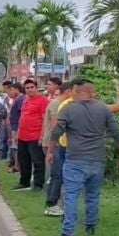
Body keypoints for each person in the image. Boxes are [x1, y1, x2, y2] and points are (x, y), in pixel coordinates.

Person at [48, 82, 119, 236]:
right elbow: (115, 130)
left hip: (75, 158)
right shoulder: (102, 109)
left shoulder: (68, 109)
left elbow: (57, 131)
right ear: (92, 93)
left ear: (78, 92)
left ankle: (68, 232)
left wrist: (51, 151)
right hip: (96, 159)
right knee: (93, 195)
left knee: (71, 195)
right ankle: (90, 226)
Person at [43, 81, 74, 216]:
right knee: (57, 175)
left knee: (57, 175)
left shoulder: (57, 103)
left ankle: (53, 203)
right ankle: (52, 204)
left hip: (54, 142)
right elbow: (57, 125)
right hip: (55, 143)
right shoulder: (58, 104)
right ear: (68, 91)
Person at [15, 79, 49, 191]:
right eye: (27, 88)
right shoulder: (26, 100)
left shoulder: (43, 101)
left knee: (37, 161)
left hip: (35, 135)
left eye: (31, 87)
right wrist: (18, 133)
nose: (29, 90)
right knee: (23, 160)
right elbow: (22, 117)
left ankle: (38, 184)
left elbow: (45, 119)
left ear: (36, 87)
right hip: (23, 135)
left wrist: (42, 135)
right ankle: (24, 182)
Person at [40, 77, 64, 156]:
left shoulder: (57, 102)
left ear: (56, 86)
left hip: (52, 140)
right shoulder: (48, 97)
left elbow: (54, 122)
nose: (47, 86)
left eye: (49, 84)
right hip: (47, 136)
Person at [6, 82, 25, 173]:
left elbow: (21, 114)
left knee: (17, 147)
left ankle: (17, 166)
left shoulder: (21, 99)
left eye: (12, 89)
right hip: (14, 126)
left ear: (17, 89)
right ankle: (15, 164)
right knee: (14, 147)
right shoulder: (16, 99)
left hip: (17, 126)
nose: (11, 92)